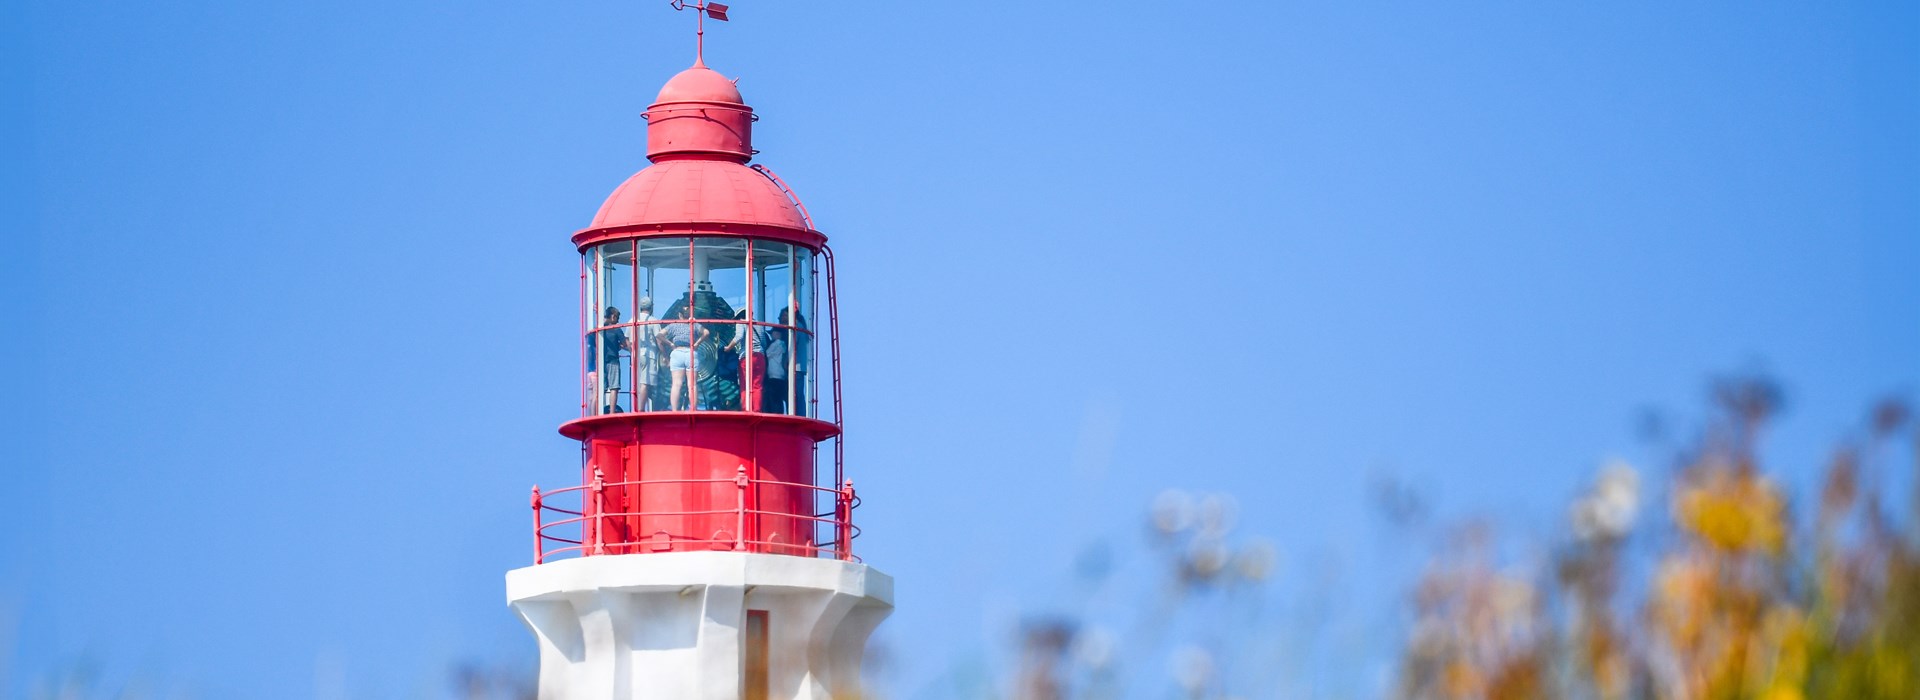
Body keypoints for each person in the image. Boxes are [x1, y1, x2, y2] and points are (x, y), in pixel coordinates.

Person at [656, 304, 708, 410]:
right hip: (690, 353)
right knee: (692, 384)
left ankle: (674, 410)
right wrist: (697, 343)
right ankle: (693, 409)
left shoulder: (673, 325)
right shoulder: (694, 324)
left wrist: (670, 344)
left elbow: (659, 335)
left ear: (680, 315)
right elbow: (706, 332)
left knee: (676, 384)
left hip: (677, 352)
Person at [587, 306, 632, 413]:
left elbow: (592, 343)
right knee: (614, 388)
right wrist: (630, 349)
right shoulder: (616, 329)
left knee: (599, 391)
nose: (618, 321)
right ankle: (612, 412)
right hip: (613, 361)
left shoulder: (598, 330)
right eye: (617, 318)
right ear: (613, 316)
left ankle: (593, 414)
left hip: (600, 363)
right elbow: (625, 344)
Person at [724, 309, 766, 412]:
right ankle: (756, 409)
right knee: (757, 385)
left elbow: (739, 336)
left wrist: (728, 348)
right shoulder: (759, 325)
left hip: (746, 356)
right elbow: (763, 342)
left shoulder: (741, 322)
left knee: (745, 385)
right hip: (760, 356)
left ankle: (746, 409)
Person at [779, 307, 810, 415]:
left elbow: (793, 346)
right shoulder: (801, 327)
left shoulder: (796, 328)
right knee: (798, 393)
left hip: (795, 366)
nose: (781, 318)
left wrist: (786, 361)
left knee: (796, 393)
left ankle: (797, 414)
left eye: (784, 315)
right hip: (799, 367)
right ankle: (798, 413)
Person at [630, 297, 658, 411]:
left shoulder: (632, 321)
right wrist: (664, 354)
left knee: (639, 383)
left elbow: (628, 340)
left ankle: (640, 407)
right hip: (649, 355)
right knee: (645, 383)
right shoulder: (653, 321)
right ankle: (641, 409)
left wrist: (632, 350)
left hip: (636, 355)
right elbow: (659, 339)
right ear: (651, 307)